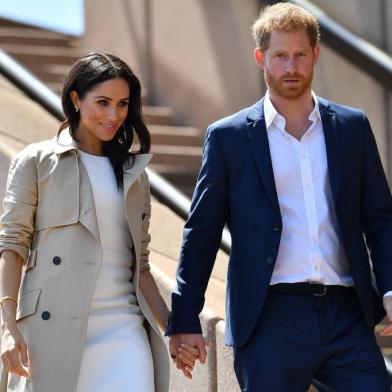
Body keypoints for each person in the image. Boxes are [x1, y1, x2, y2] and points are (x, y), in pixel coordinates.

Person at [167, 3, 392, 391]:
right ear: (261, 58)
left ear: (315, 55)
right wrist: (184, 317)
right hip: (269, 314)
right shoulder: (229, 137)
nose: (291, 67)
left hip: (346, 313)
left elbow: (380, 218)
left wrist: (389, 288)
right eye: (281, 56)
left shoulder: (351, 128)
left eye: (300, 55)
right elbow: (202, 231)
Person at [0, 53, 197, 392]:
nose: (114, 115)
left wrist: (172, 329)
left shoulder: (134, 174)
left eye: (122, 104)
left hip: (124, 331)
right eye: (103, 102)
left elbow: (142, 267)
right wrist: (7, 327)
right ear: (75, 99)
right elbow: (12, 246)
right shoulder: (35, 161)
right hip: (52, 329)